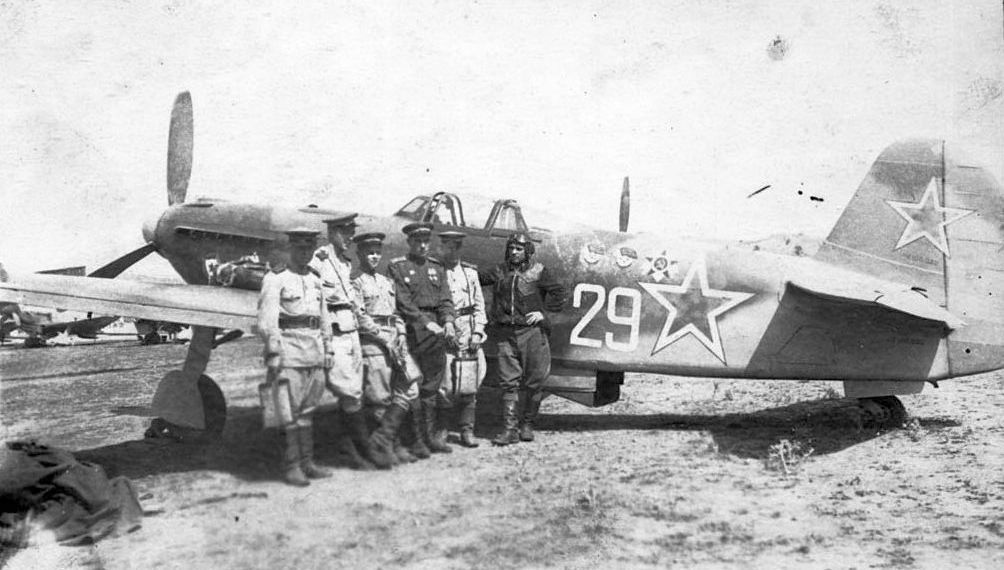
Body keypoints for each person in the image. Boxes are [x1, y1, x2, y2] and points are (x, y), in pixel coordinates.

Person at [310, 214, 394, 469]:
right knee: (350, 392)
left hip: (351, 329)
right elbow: (317, 300)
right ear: (331, 232)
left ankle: (348, 448)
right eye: (345, 233)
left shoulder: (344, 262)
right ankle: (365, 449)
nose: (349, 237)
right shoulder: (320, 260)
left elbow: (353, 302)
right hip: (334, 329)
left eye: (350, 232)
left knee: (353, 389)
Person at [256, 228, 334, 486]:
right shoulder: (275, 278)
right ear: (291, 249)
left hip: (314, 352)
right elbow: (268, 321)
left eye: (309, 249)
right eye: (300, 249)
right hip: (289, 352)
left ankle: (308, 462)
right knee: (286, 412)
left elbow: (323, 317)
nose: (305, 254)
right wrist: (275, 352)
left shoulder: (315, 278)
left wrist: (328, 348)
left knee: (308, 411)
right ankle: (291, 466)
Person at [482, 232, 566, 445]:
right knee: (508, 381)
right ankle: (509, 429)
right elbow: (477, 277)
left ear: (527, 251)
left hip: (532, 333)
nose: (514, 252)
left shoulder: (539, 271)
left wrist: (543, 314)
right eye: (511, 248)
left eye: (519, 249)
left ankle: (527, 424)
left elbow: (560, 293)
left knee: (535, 380)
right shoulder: (499, 271)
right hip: (505, 334)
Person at [351, 231, 425, 463]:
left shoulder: (385, 282)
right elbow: (360, 317)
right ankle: (389, 446)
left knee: (411, 386)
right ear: (360, 254)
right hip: (374, 343)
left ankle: (384, 438)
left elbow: (395, 314)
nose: (374, 257)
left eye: (377, 253)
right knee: (380, 396)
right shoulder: (355, 283)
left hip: (395, 340)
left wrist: (401, 333)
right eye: (369, 253)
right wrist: (384, 338)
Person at [388, 222, 457, 454]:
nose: (423, 245)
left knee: (431, 387)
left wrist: (447, 321)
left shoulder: (437, 267)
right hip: (411, 331)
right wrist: (427, 323)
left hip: (435, 332)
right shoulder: (398, 267)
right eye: (418, 241)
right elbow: (403, 302)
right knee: (409, 386)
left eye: (426, 241)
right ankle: (412, 440)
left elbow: (446, 298)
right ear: (409, 243)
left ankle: (429, 438)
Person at [437, 230, 487, 448]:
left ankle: (467, 430)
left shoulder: (470, 273)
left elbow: (479, 307)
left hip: (468, 331)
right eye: (448, 245)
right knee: (445, 384)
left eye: (456, 246)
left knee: (470, 383)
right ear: (441, 247)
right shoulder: (436, 272)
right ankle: (442, 430)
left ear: (461, 248)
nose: (452, 250)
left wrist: (478, 333)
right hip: (445, 331)